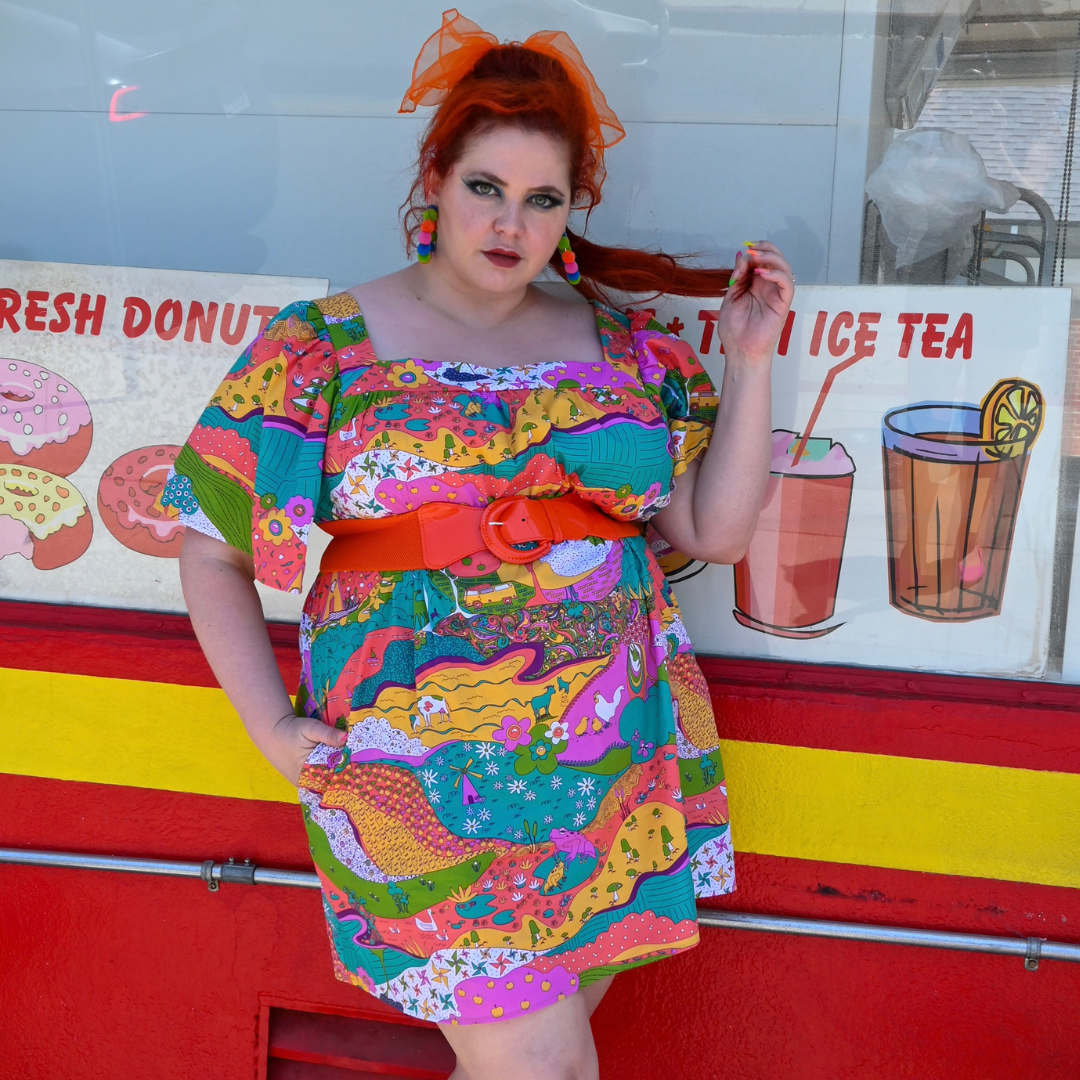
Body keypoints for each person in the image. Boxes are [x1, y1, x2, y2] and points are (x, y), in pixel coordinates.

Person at [171, 11, 793, 1079]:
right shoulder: (320, 347)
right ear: (436, 182)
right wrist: (271, 727)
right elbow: (208, 547)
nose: (511, 222)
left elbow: (713, 532)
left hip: (610, 756)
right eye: (486, 189)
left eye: (542, 199)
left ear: (569, 212)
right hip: (423, 768)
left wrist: (752, 360)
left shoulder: (625, 351)